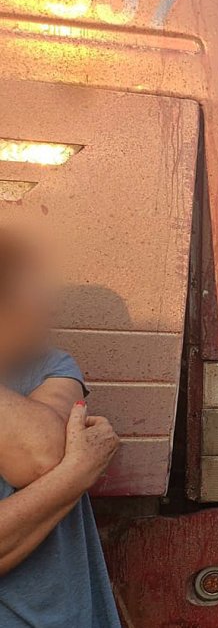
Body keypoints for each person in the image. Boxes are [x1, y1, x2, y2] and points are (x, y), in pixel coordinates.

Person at [0, 231, 121, 627]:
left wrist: (66, 470)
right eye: (30, 292)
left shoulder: (52, 366)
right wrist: (78, 473)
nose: (47, 308)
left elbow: (42, 453)